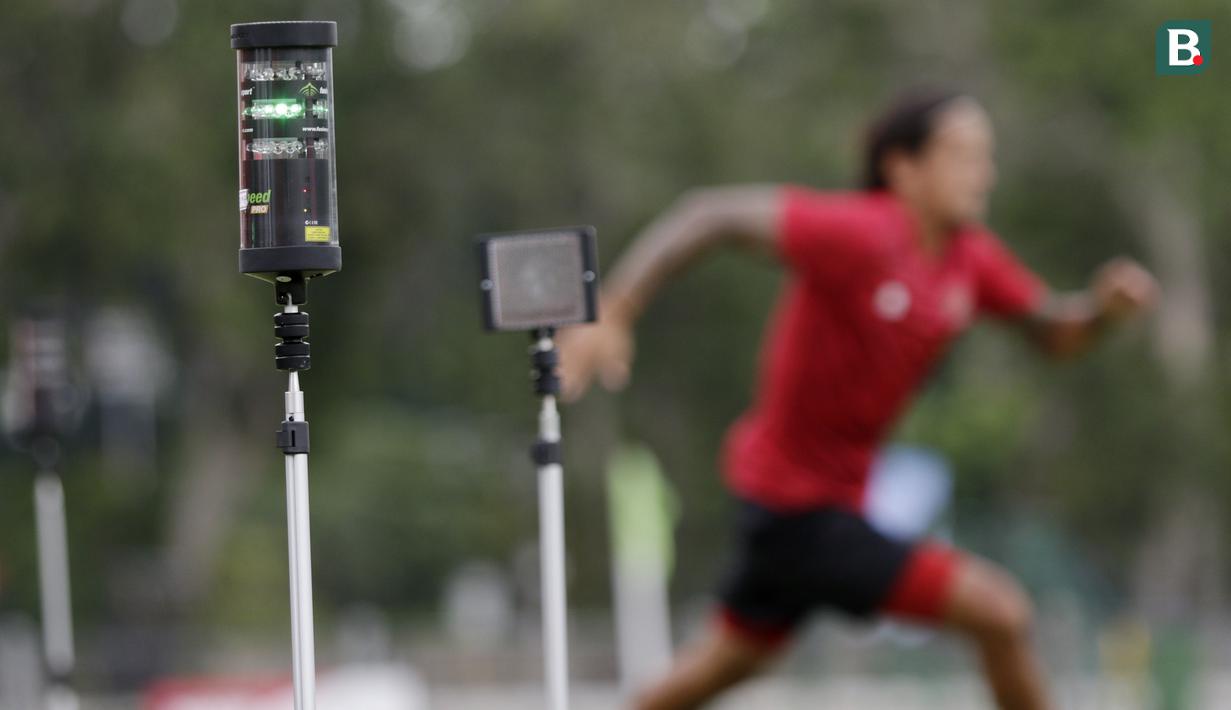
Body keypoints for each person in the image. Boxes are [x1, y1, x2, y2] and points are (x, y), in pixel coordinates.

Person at [557, 89, 1159, 710]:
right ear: (904, 167)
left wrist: (1102, 312)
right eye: (962, 156)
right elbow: (710, 215)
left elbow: (1053, 334)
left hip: (801, 508)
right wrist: (618, 308)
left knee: (714, 674)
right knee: (1000, 614)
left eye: (987, 157)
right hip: (801, 509)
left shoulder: (970, 259)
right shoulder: (862, 232)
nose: (984, 174)